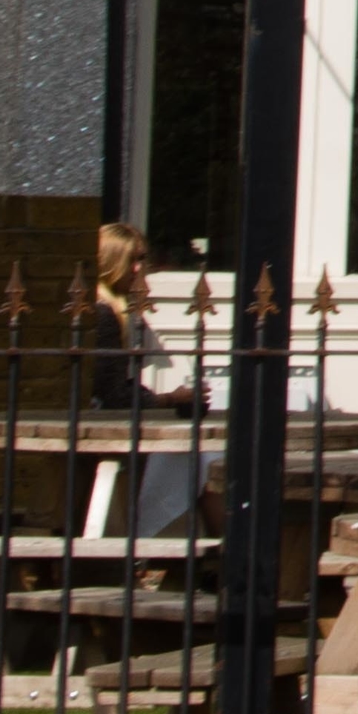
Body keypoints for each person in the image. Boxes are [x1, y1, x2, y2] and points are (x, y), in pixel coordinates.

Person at [86, 224, 211, 541]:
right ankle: (192, 550)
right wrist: (171, 399)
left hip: (107, 434)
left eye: (143, 258)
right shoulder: (103, 314)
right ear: (111, 262)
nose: (141, 269)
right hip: (101, 438)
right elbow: (114, 396)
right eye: (133, 259)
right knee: (195, 455)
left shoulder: (112, 310)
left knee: (197, 455)